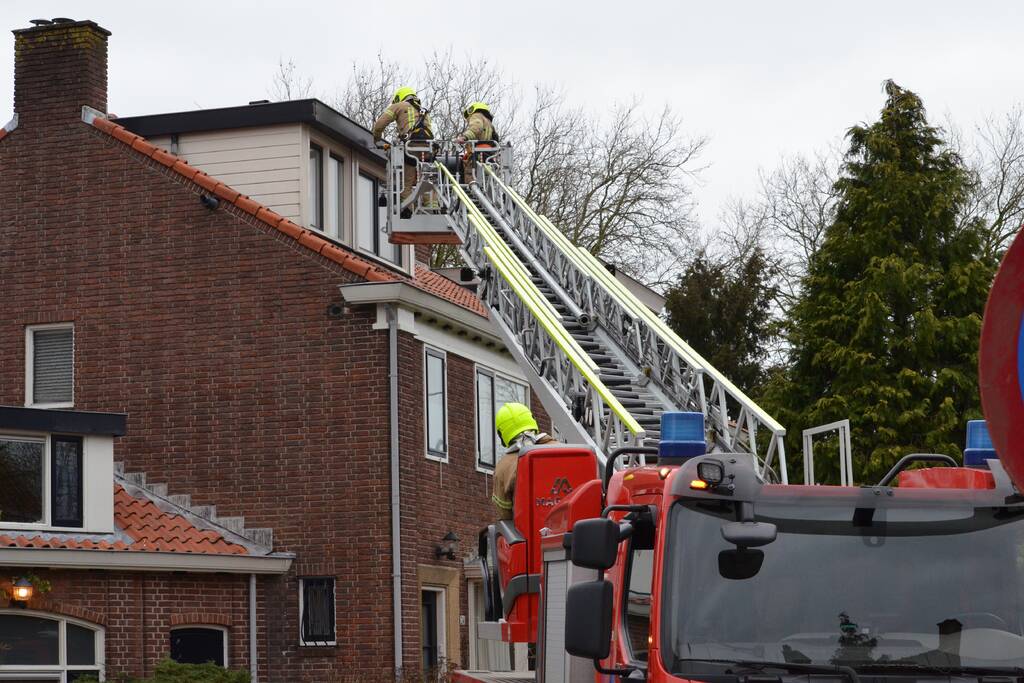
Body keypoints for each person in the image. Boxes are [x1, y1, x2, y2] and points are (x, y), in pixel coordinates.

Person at [492, 402, 555, 520]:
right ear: (532, 421)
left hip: (529, 535)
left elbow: (505, 513)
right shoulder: (564, 450)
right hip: (574, 530)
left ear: (501, 434)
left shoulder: (503, 468)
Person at [371, 87, 434, 206]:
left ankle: (408, 208)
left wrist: (376, 139)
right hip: (429, 148)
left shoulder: (398, 106)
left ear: (399, 97)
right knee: (426, 179)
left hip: (411, 147)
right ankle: (432, 204)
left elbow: (379, 125)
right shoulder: (424, 110)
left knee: (406, 182)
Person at [454, 101, 498, 184]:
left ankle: (470, 188)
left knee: (469, 173)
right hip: (488, 154)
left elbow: (476, 128)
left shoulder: (476, 116)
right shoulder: (489, 123)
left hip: (477, 154)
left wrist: (464, 137)